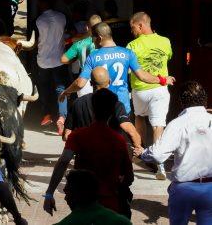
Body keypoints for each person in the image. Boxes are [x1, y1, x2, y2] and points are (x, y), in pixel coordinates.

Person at [44, 89, 134, 218]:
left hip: (83, 202)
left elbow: (64, 161)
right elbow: (129, 177)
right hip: (110, 204)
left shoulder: (78, 136)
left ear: (93, 107)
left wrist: (49, 193)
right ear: (111, 112)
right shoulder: (118, 140)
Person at [134, 81, 212, 225]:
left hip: (184, 188)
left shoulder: (177, 124)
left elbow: (158, 154)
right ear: (205, 99)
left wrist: (143, 153)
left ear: (181, 101)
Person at [60, 22, 175, 115]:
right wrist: (163, 80)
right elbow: (142, 76)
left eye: (93, 38)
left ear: (99, 38)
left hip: (101, 107)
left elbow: (80, 83)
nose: (92, 42)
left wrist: (66, 92)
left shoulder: (93, 57)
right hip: (122, 106)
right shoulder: (127, 53)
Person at [127, 12, 172, 180]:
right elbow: (167, 58)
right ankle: (160, 164)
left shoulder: (131, 45)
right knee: (158, 125)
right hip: (160, 88)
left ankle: (140, 149)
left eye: (133, 27)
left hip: (139, 90)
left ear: (140, 25)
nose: (132, 31)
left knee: (139, 117)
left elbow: (131, 69)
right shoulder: (165, 41)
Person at [63, 67, 142, 151]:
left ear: (90, 83)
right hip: (110, 156)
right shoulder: (116, 104)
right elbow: (130, 131)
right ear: (109, 82)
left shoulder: (77, 103)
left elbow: (66, 135)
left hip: (85, 156)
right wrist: (139, 148)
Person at [35, 0, 70, 133]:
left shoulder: (38, 20)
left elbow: (35, 40)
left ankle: (46, 114)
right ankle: (62, 117)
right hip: (59, 59)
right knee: (61, 89)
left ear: (42, 4)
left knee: (44, 88)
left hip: (42, 61)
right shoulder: (62, 17)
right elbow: (70, 32)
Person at [53, 169, 132, 225]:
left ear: (74, 196)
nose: (65, 198)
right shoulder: (122, 222)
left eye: (67, 194)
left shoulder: (66, 223)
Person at [61, 14, 102, 97]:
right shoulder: (105, 42)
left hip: (85, 81)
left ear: (87, 27)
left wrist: (75, 58)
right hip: (102, 78)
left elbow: (63, 59)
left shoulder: (79, 44)